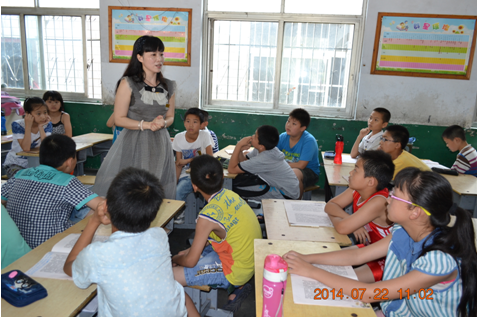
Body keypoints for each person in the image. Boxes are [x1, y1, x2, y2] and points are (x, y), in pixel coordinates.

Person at [284, 168, 477, 317]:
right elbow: (358, 254)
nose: (387, 200)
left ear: (415, 212)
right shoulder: (404, 232)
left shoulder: (439, 260)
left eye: (394, 196)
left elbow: (370, 293)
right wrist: (306, 259)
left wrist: (311, 271)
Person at [64, 167, 194, 317]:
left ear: (107, 207)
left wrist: (93, 221)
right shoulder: (159, 236)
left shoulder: (98, 254)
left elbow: (69, 267)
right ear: (153, 213)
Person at [92, 35, 177, 203]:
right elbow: (119, 119)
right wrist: (146, 125)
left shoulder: (169, 85)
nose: (159, 59)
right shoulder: (128, 83)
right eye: (153, 54)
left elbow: (170, 115)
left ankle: (156, 226)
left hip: (160, 143)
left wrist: (163, 122)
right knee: (133, 189)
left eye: (161, 54)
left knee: (156, 187)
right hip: (134, 142)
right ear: (139, 57)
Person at [172, 155, 262, 312]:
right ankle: (236, 288)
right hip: (248, 260)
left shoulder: (207, 216)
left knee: (170, 275)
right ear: (221, 178)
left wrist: (175, 258)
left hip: (236, 270)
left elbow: (191, 261)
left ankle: (232, 285)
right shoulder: (230, 195)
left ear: (194, 186)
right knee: (184, 254)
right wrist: (183, 255)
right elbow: (211, 239)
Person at [1, 135, 104, 249]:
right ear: (69, 161)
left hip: (19, 246)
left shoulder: (20, 174)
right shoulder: (67, 182)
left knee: (80, 208)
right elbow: (104, 207)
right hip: (49, 246)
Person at [324, 150, 394, 282]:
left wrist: (348, 222)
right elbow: (329, 206)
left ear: (370, 181)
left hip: (386, 258)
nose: (350, 173)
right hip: (368, 248)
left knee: (336, 281)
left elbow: (342, 228)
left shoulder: (379, 201)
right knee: (320, 263)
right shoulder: (357, 189)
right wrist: (350, 221)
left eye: (355, 170)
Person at [228, 125, 300, 201]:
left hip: (285, 195)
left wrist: (238, 145)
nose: (252, 136)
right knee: (239, 182)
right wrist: (240, 151)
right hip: (283, 188)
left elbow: (232, 169)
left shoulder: (265, 158)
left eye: (255, 136)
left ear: (261, 146)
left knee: (233, 187)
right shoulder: (266, 149)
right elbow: (245, 162)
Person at [172, 108, 213, 223]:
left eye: (195, 122)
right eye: (188, 121)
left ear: (201, 125)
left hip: (202, 173)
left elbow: (210, 158)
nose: (191, 125)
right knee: (177, 190)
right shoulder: (178, 138)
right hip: (186, 175)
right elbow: (179, 163)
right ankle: (179, 215)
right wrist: (174, 182)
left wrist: (188, 160)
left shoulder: (205, 135)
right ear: (184, 123)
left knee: (210, 191)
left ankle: (207, 215)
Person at [2, 97, 52, 178]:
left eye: (45, 112)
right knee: (25, 180)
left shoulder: (47, 124)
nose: (43, 117)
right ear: (28, 114)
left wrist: (40, 127)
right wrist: (28, 126)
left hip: (36, 163)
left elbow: (46, 147)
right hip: (16, 163)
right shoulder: (18, 125)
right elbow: (26, 149)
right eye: (38, 113)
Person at [277, 108, 320, 198]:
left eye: (294, 124)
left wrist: (280, 165)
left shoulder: (309, 141)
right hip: (287, 168)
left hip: (309, 172)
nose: (288, 125)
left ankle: (295, 203)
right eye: (288, 121)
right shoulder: (282, 137)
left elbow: (301, 165)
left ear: (302, 128)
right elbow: (272, 155)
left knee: (295, 173)